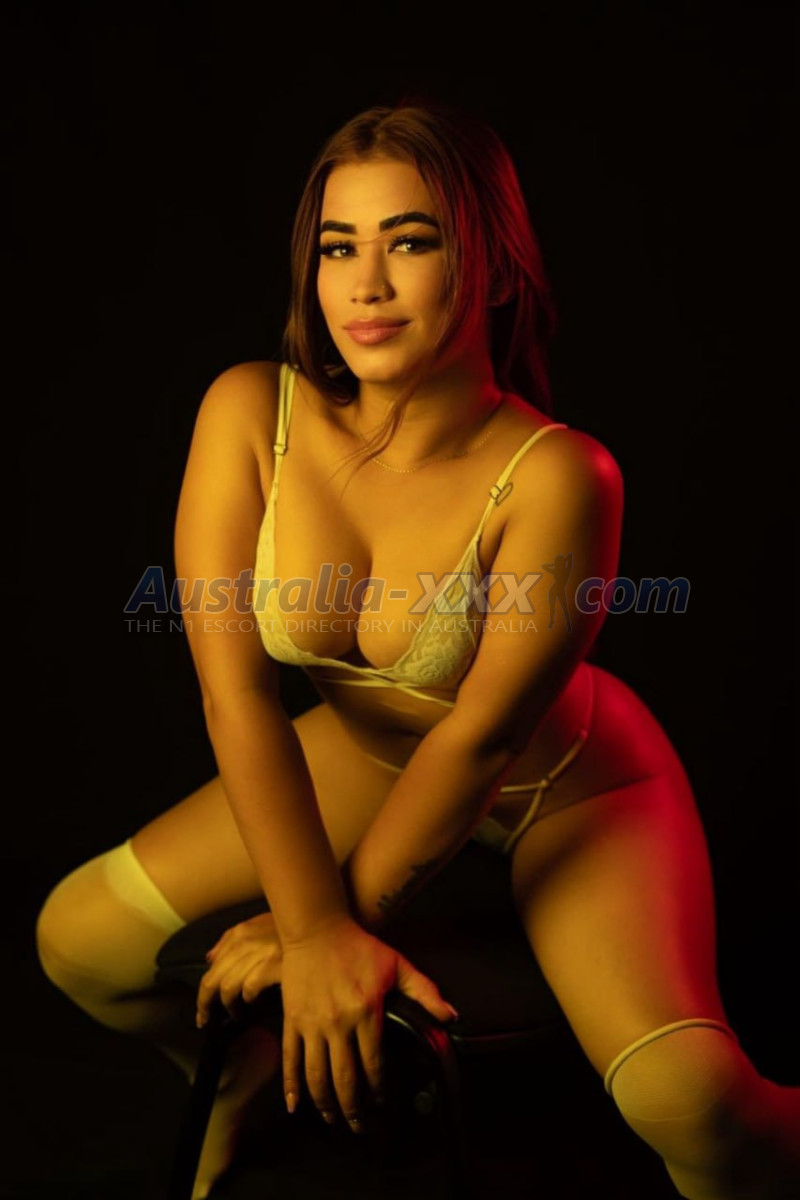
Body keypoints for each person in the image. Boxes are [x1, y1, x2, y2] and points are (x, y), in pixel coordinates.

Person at [36, 101, 799, 1200]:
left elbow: (481, 739)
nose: (365, 284)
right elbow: (236, 697)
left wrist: (327, 930)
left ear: (491, 266)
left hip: (560, 781)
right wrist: (312, 932)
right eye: (338, 247)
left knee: (692, 1110)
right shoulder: (251, 413)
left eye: (411, 241)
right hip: (366, 753)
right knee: (80, 943)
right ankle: (247, 1076)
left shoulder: (559, 475)